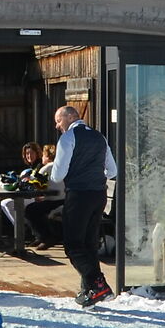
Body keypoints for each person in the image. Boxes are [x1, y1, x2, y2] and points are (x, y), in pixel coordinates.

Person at [51, 105, 117, 306]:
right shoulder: (100, 137)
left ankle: (98, 285)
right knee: (88, 244)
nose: (57, 125)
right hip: (99, 195)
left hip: (79, 194)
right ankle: (88, 291)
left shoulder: (69, 138)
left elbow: (57, 175)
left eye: (59, 120)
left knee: (73, 245)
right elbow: (112, 171)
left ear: (71, 117)